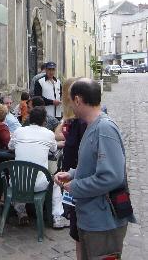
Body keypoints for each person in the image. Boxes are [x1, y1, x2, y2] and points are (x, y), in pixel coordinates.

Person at [55, 78, 134, 259]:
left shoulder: (104, 128)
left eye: (69, 100)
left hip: (104, 221)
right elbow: (92, 166)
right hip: (92, 219)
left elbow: (111, 177)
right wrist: (72, 174)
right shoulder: (93, 126)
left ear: (77, 100)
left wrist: (75, 186)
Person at [9, 106, 70, 228]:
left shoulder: (19, 131)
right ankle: (57, 217)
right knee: (55, 183)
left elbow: (10, 146)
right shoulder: (48, 134)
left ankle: (21, 211)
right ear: (44, 121)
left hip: (17, 184)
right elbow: (53, 149)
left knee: (19, 176)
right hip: (38, 185)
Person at [55, 78, 87, 260]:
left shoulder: (80, 123)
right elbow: (57, 133)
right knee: (77, 231)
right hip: (72, 178)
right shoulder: (72, 120)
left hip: (78, 180)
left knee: (81, 230)